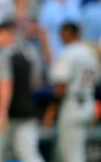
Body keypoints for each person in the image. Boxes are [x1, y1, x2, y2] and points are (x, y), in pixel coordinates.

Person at [0, 22, 44, 162]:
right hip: (27, 112)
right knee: (29, 155)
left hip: (7, 113)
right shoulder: (28, 53)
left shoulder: (1, 53)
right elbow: (37, 81)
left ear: (7, 34)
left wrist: (2, 112)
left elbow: (5, 83)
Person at [43, 23, 100, 162]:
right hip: (89, 104)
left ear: (67, 34)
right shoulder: (91, 53)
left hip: (72, 105)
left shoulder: (68, 53)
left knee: (71, 155)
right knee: (77, 151)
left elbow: (60, 85)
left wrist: (51, 110)